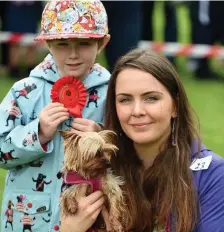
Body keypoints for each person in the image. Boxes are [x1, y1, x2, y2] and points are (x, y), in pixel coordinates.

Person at [60, 48, 224, 232]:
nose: (137, 111)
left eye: (151, 98)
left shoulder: (212, 174)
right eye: (125, 100)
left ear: (175, 106)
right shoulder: (98, 169)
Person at [0, 0, 110, 231]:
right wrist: (37, 133)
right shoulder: (24, 91)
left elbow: (135, 153)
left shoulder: (114, 93)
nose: (72, 54)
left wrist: (102, 137)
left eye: (83, 43)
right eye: (62, 44)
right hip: (28, 219)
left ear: (102, 43)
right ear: (48, 43)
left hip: (91, 217)